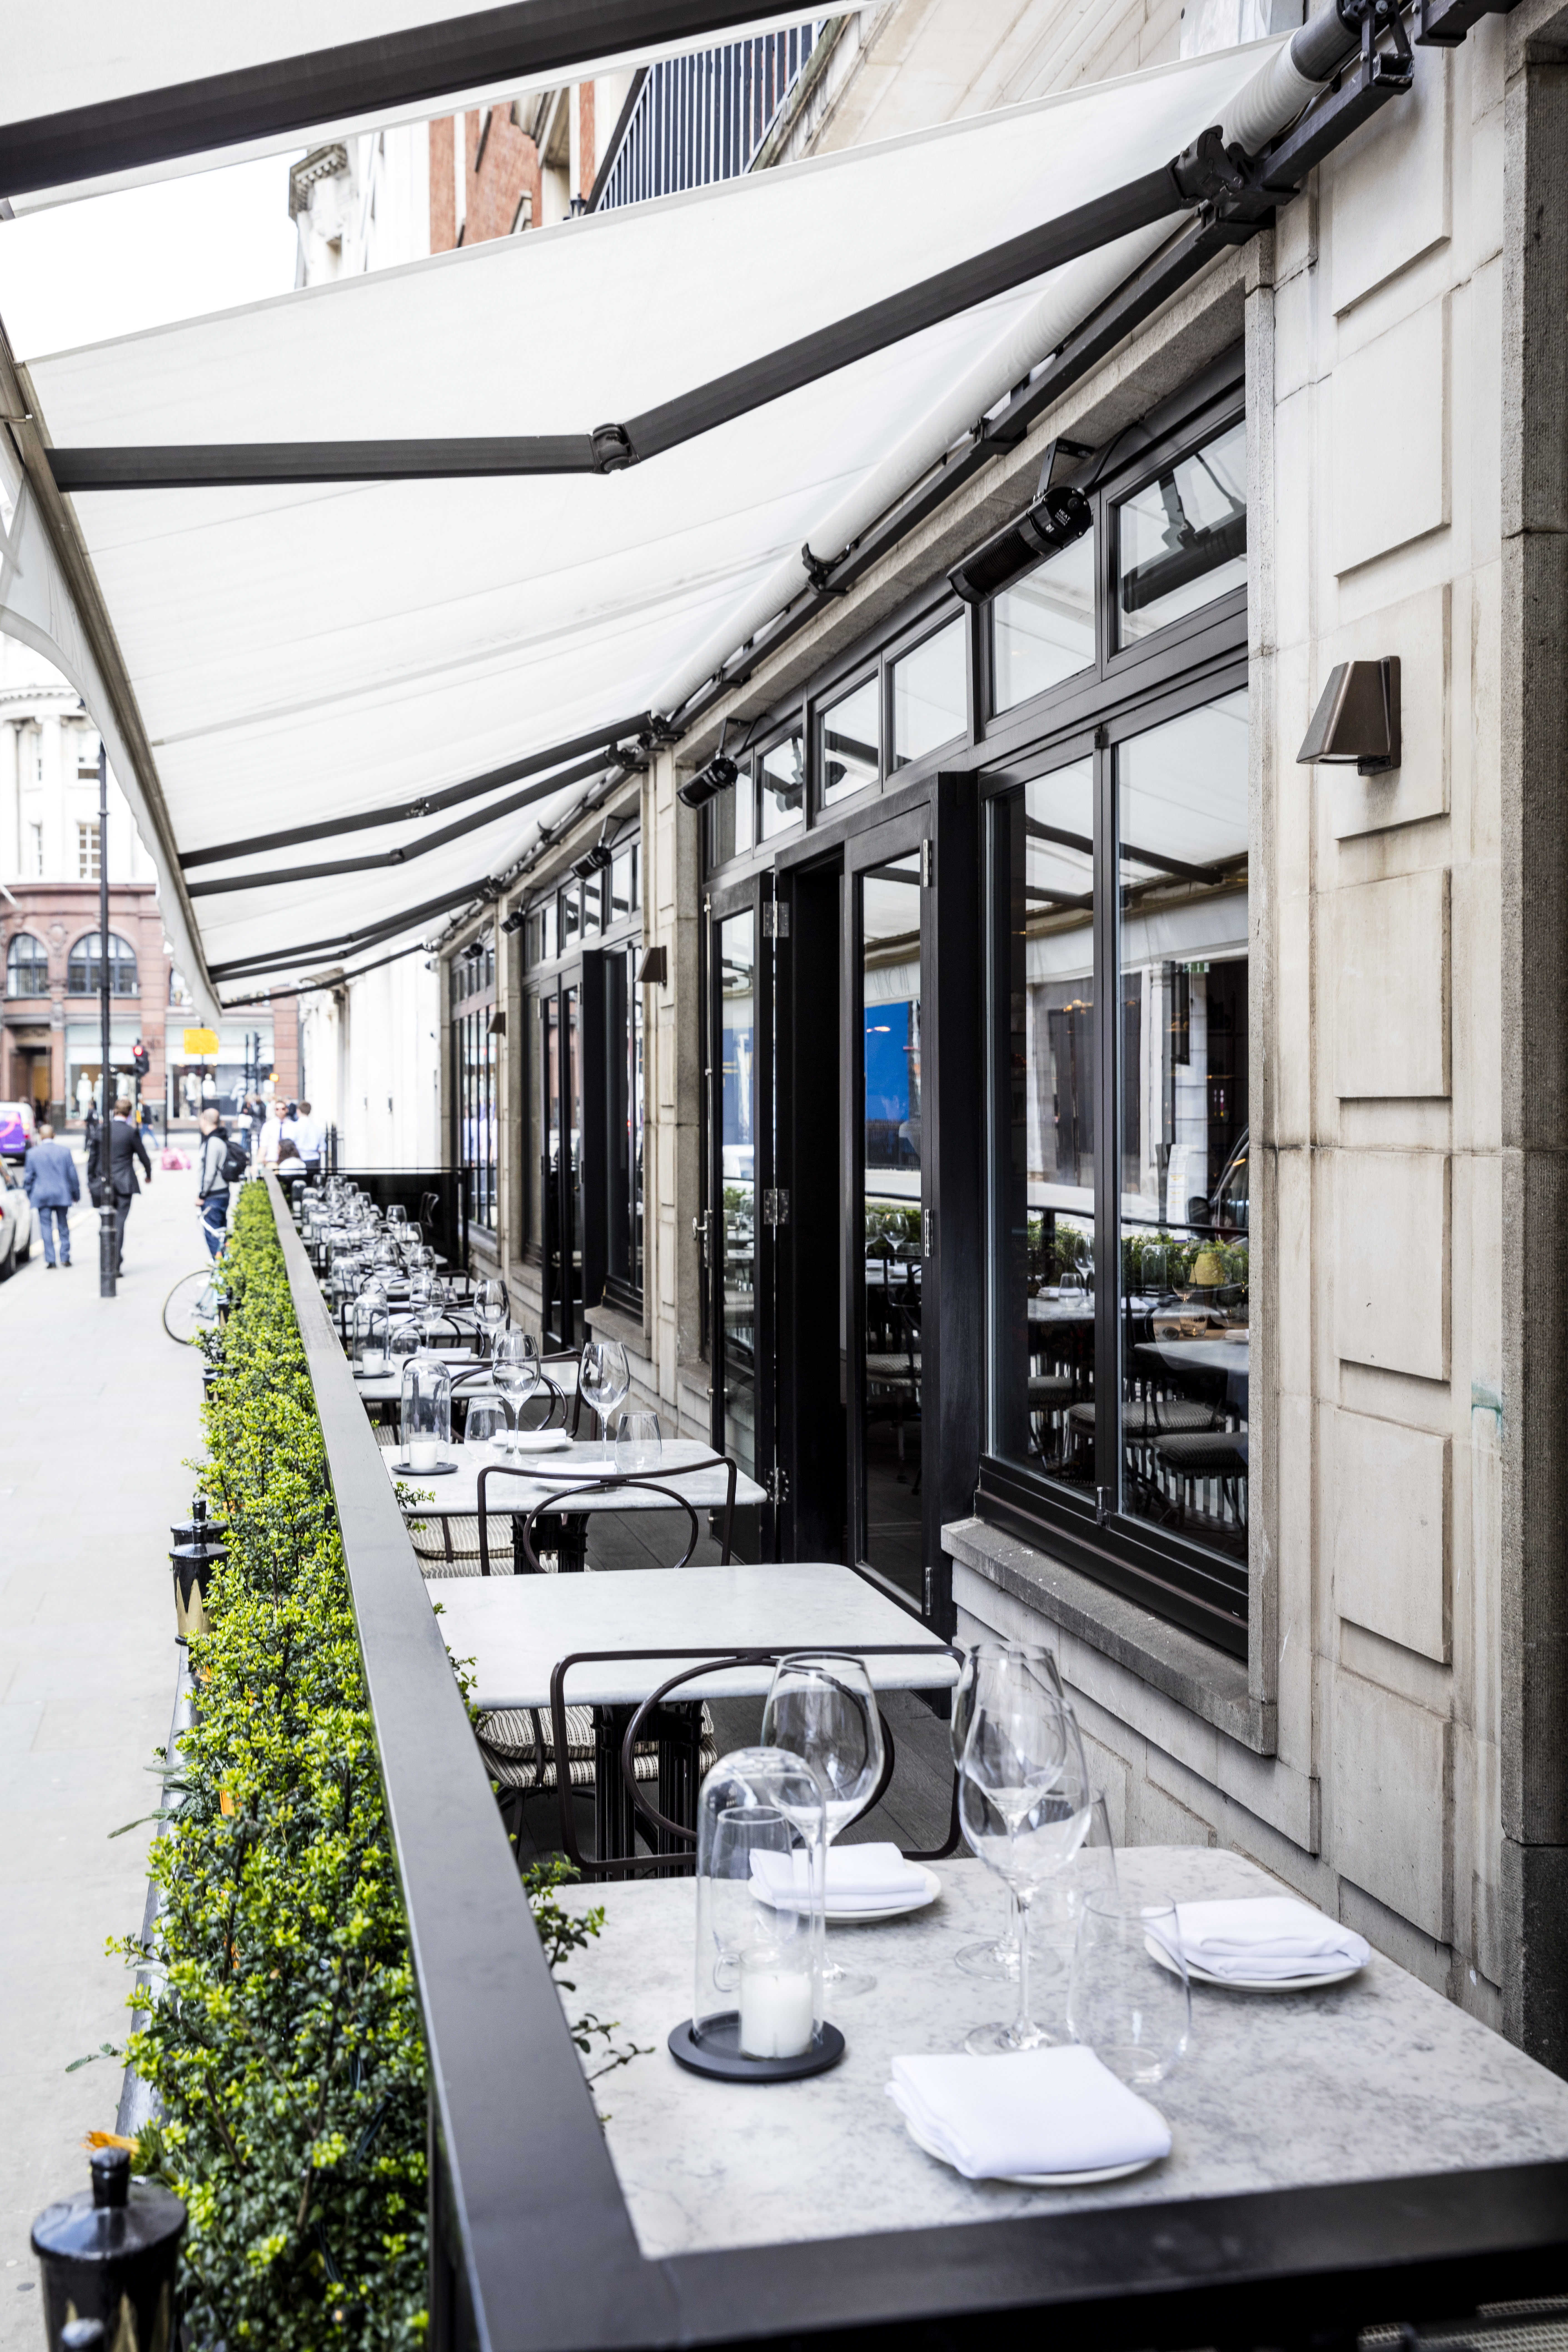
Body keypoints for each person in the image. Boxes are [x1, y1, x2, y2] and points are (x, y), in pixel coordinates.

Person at [22, 1121, 79, 1268]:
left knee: (45, 1227)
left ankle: (51, 1261)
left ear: (41, 1137)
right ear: (54, 1136)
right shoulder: (65, 1152)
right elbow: (72, 1176)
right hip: (62, 1194)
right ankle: (65, 1257)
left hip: (42, 1195)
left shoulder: (32, 1154)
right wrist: (76, 1194)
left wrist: (30, 1194)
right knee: (63, 1226)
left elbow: (28, 1178)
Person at [107, 1095, 152, 1273]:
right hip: (125, 1183)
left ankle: (109, 1260)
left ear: (115, 1111)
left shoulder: (104, 1129)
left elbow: (94, 1158)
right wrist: (149, 1174)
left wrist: (91, 1180)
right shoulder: (130, 1132)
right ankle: (115, 1263)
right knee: (120, 1223)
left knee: (106, 1222)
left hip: (106, 1184)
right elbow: (143, 1156)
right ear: (129, 1113)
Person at [195, 1106, 229, 1259]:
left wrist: (202, 1195)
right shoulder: (220, 1139)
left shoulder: (212, 1142)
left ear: (204, 1120)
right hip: (222, 1193)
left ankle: (219, 1275)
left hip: (213, 1197)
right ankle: (222, 1274)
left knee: (213, 1238)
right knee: (221, 1234)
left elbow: (209, 1173)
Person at [288, 1099, 323, 1174]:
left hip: (299, 1159)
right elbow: (322, 1149)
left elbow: (290, 1144)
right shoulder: (318, 1129)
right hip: (314, 1160)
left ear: (298, 1111)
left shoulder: (294, 1127)